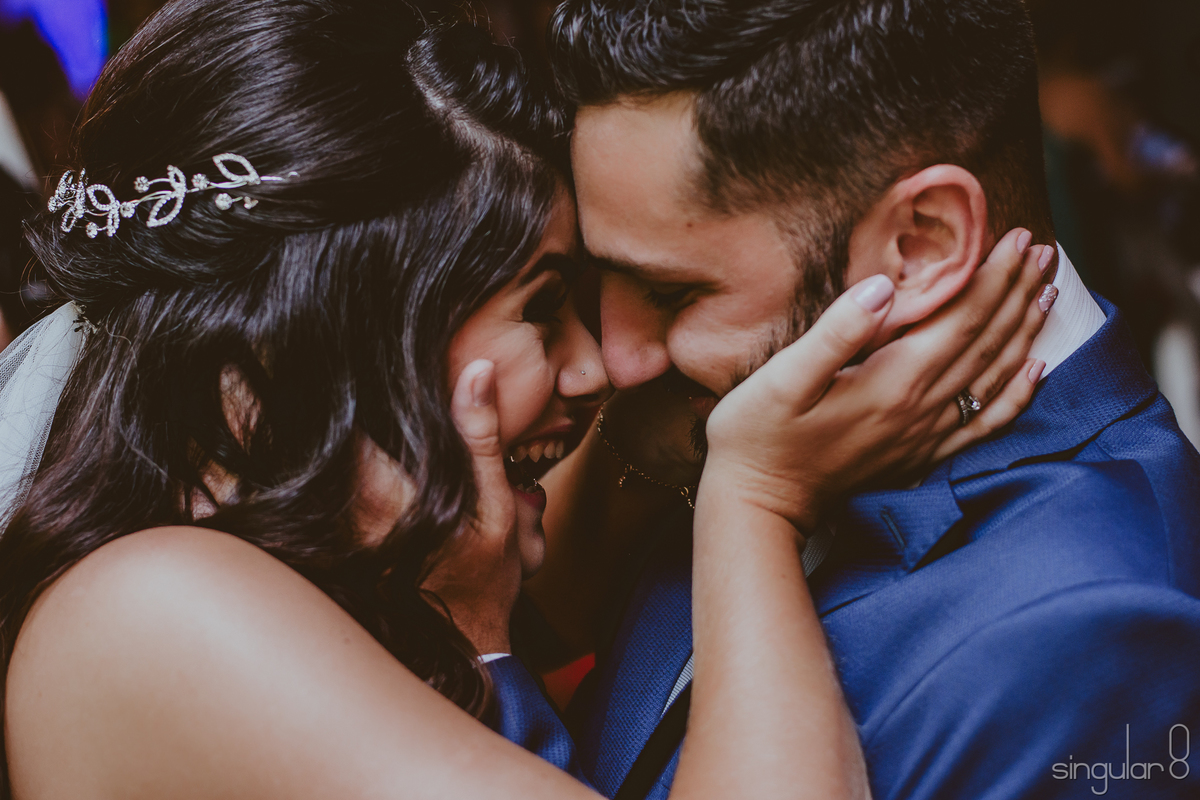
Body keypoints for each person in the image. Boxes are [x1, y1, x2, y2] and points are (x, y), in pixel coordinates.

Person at [0, 1, 1055, 799]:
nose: (594, 368)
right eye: (542, 310)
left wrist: (483, 638)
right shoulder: (159, 602)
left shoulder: (370, 564)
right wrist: (757, 496)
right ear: (353, 321)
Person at [540, 1, 1200, 798]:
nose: (618, 359)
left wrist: (753, 500)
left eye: (669, 292)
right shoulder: (729, 418)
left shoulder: (1100, 636)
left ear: (922, 242)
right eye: (600, 277)